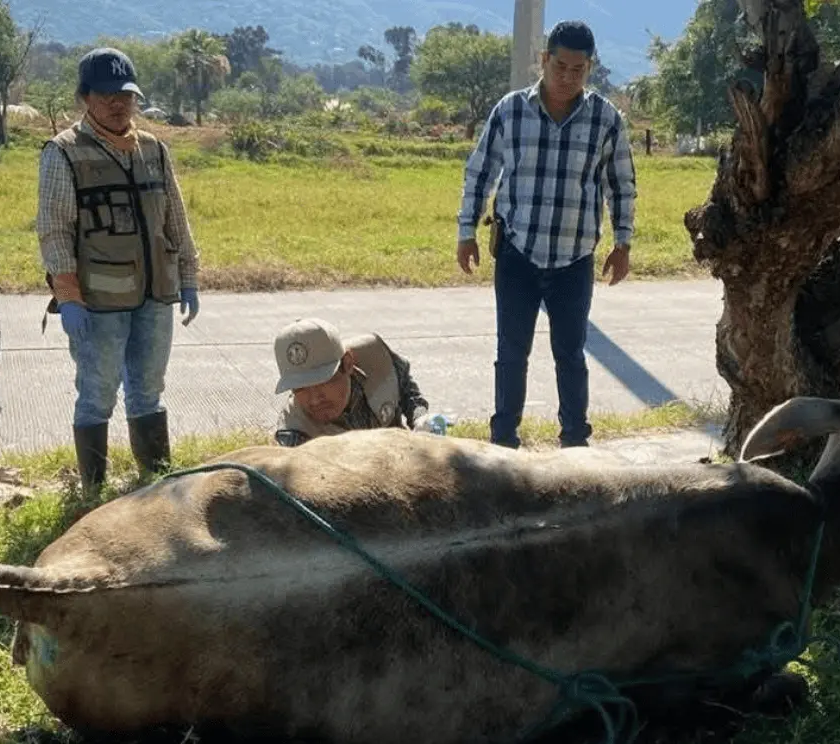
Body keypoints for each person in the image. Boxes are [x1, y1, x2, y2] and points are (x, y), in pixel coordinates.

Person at [456, 20, 637, 450]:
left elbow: (621, 185)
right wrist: (467, 231)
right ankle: (503, 442)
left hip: (574, 258)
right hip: (517, 253)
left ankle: (575, 443)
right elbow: (479, 173)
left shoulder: (606, 120)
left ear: (590, 68)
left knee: (570, 356)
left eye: (578, 69)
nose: (567, 77)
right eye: (560, 65)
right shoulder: (510, 111)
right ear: (544, 60)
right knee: (511, 353)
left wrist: (623, 242)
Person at [35, 47, 201, 493]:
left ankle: (156, 482)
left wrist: (188, 276)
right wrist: (69, 298)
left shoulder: (154, 150)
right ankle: (93, 490)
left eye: (125, 94)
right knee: (97, 394)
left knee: (148, 389)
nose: (117, 103)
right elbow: (54, 231)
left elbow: (176, 220)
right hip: (97, 301)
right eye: (106, 94)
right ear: (85, 97)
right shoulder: (63, 153)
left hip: (155, 293)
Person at [272, 318, 443, 447]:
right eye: (300, 388)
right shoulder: (293, 433)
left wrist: (421, 418)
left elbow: (407, 390)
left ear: (347, 364)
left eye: (322, 381)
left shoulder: (376, 356)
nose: (315, 399)